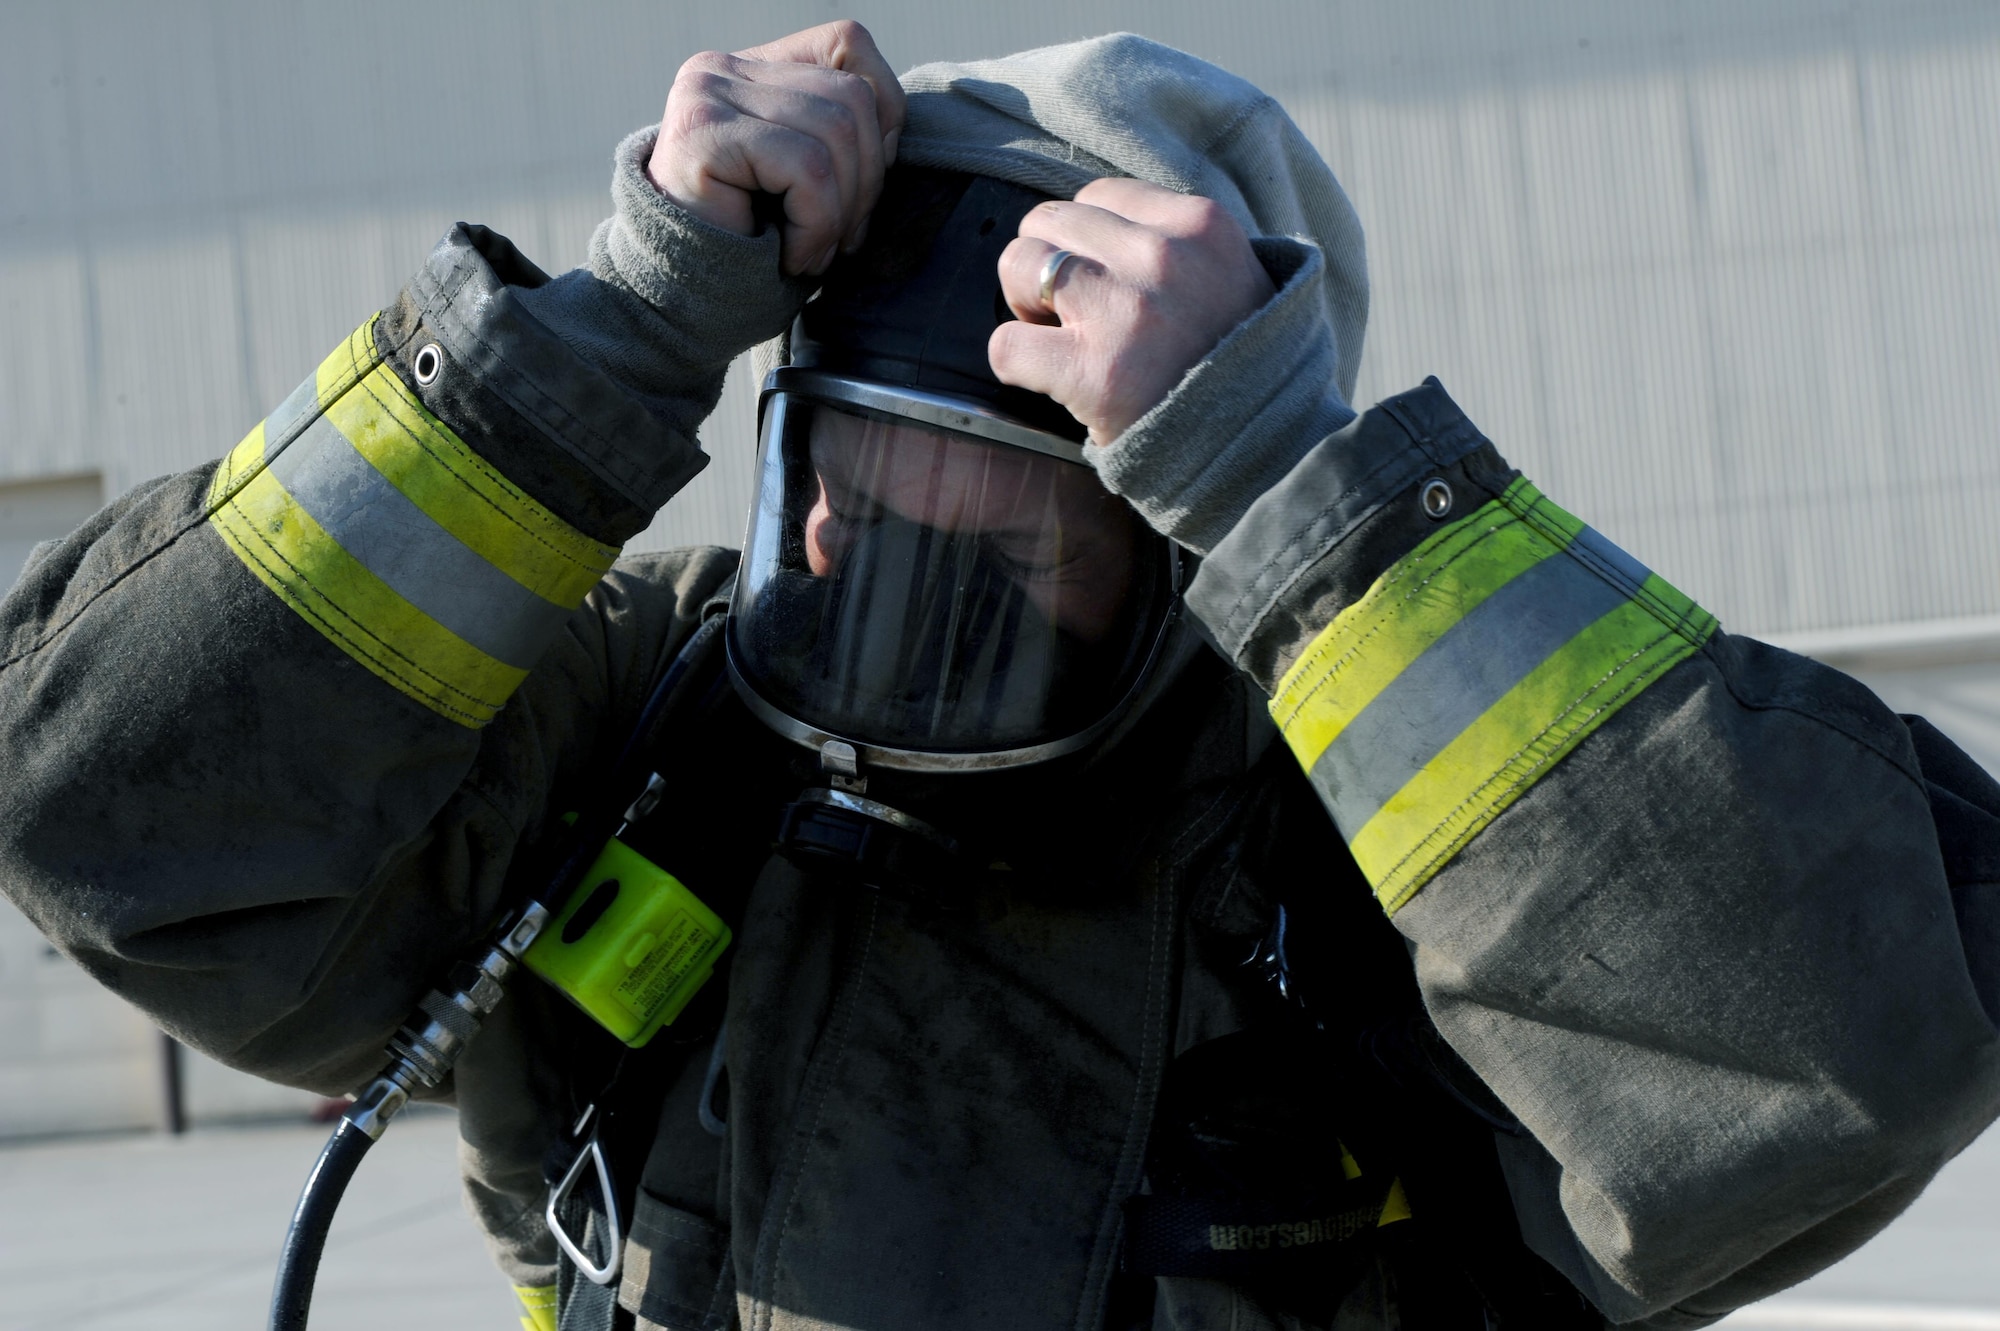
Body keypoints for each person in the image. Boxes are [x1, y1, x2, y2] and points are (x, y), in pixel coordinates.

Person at [3, 20, 1999, 1331]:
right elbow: (108, 811)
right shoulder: (654, 716)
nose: (843, 561)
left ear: (1171, 535)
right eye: (832, 474)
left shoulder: (1387, 811)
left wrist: (1301, 496)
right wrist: (605, 337)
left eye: (986, 518)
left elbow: (1826, 1064)